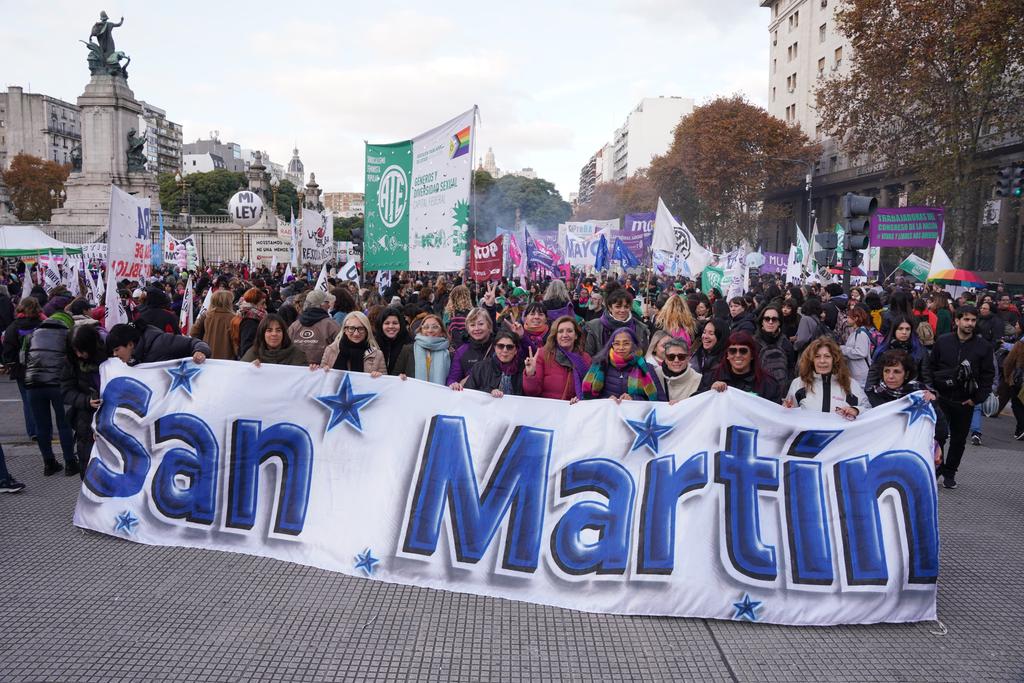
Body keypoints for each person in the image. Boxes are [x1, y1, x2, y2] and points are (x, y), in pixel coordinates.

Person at [930, 305, 995, 489]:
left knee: (958, 440)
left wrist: (977, 399)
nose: (970, 323)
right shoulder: (943, 341)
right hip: (941, 398)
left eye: (973, 320)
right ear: (957, 321)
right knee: (938, 437)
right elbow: (931, 366)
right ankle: (936, 469)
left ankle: (950, 473)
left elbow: (987, 375)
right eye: (966, 319)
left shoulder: (983, 347)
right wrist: (933, 390)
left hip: (965, 401)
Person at [866, 349, 948, 468]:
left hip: (911, 463)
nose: (890, 376)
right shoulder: (872, 395)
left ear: (907, 374)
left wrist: (933, 405)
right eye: (886, 371)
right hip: (879, 462)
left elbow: (942, 431)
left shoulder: (921, 396)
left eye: (897, 372)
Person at [22, 311, 79, 476]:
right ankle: (70, 463)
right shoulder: (67, 335)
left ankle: (49, 463)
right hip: (57, 384)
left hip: (33, 383)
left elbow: (24, 357)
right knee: (64, 424)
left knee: (42, 426)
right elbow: (73, 359)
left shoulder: (32, 335)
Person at [61, 323, 106, 479]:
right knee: (88, 468)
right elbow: (66, 390)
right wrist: (86, 401)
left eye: (82, 350)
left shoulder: (110, 355)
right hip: (86, 421)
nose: (79, 355)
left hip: (111, 418)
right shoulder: (71, 362)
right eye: (75, 351)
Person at [784, 337, 869, 418]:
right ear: (811, 360)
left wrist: (856, 410)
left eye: (827, 356)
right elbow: (788, 415)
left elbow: (869, 411)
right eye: (817, 356)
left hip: (843, 434)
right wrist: (788, 410)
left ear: (835, 359)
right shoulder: (799, 383)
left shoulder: (850, 384)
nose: (822, 361)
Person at [2, 297, 45, 441]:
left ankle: (33, 431)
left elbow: (8, 348)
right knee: (42, 400)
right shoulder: (43, 324)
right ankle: (44, 429)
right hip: (41, 367)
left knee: (27, 400)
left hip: (22, 369)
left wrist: (10, 363)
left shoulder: (14, 326)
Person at [698, 331, 782, 403]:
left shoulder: (768, 384)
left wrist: (786, 409)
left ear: (752, 355)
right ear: (727, 354)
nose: (737, 355)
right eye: (732, 351)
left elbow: (775, 413)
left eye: (743, 351)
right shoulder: (711, 377)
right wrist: (709, 390)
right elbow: (693, 403)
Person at [522, 315, 592, 401]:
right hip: (548, 412)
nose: (565, 335)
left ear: (576, 335)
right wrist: (530, 375)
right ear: (555, 335)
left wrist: (579, 400)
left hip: (574, 411)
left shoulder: (585, 359)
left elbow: (590, 391)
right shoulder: (543, 355)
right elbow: (532, 392)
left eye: (569, 331)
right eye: (560, 331)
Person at [582, 328, 661, 402]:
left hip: (635, 415)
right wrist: (606, 400)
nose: (621, 347)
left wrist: (633, 399)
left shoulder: (647, 367)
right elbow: (587, 399)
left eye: (626, 343)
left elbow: (659, 400)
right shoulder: (600, 365)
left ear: (633, 345)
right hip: (608, 414)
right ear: (612, 345)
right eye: (617, 344)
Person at [867, 315, 933, 389]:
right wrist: (869, 393)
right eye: (900, 329)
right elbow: (873, 376)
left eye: (907, 329)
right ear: (894, 330)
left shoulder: (920, 350)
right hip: (885, 393)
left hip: (912, 392)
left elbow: (926, 377)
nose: (904, 332)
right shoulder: (883, 350)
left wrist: (929, 392)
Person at [106, 321, 211, 365]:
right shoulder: (131, 359)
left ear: (130, 344)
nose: (115, 355)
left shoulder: (163, 342)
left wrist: (200, 352)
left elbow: (194, 342)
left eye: (117, 350)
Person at [583, 287, 650, 356]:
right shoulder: (594, 327)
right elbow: (588, 356)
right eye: (618, 306)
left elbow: (643, 354)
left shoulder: (640, 328)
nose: (622, 310)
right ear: (610, 307)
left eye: (626, 307)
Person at [457, 330, 524, 398]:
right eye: (500, 346)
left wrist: (530, 376)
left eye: (509, 347)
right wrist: (489, 392)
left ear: (516, 350)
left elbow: (530, 395)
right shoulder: (480, 367)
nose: (505, 350)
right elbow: (469, 392)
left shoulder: (524, 369)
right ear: (495, 348)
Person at [320, 311, 385, 375]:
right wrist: (322, 371)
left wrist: (379, 377)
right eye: (351, 328)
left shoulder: (377, 355)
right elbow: (321, 379)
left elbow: (385, 383)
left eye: (361, 329)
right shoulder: (331, 350)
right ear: (345, 330)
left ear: (366, 330)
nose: (356, 334)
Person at [395, 314, 451, 384]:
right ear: (421, 330)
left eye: (435, 327)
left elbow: (452, 380)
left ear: (442, 331)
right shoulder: (407, 350)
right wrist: (399, 377)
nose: (430, 330)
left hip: (439, 394)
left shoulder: (449, 353)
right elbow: (395, 374)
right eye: (426, 327)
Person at [288, 290, 340, 365]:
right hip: (323, 373)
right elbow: (340, 349)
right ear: (321, 304)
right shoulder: (332, 326)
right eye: (327, 302)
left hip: (298, 372)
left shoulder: (294, 326)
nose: (329, 305)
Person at [447, 307, 495, 387]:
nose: (477, 328)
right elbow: (452, 378)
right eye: (472, 325)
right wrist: (453, 385)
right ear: (468, 329)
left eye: (481, 324)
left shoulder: (499, 346)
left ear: (489, 326)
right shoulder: (461, 351)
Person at [241, 314, 310, 367]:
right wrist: (249, 369)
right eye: (269, 330)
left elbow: (306, 379)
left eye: (278, 330)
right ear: (262, 333)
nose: (274, 334)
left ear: (284, 333)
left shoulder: (296, 354)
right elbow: (240, 375)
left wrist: (313, 370)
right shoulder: (253, 353)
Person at [755, 304, 796, 388]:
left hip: (781, 390)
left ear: (779, 322)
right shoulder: (753, 342)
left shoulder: (786, 343)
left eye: (774, 319)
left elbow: (791, 368)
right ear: (762, 322)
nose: (770, 322)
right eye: (767, 319)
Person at [652, 338, 701, 404]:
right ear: (665, 359)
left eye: (681, 357)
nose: (676, 360)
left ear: (688, 358)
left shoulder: (698, 379)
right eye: (671, 357)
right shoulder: (655, 375)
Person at [190, 290, 235, 360]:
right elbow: (236, 342)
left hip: (207, 356)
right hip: (227, 359)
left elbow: (193, 333)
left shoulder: (206, 315)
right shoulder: (234, 318)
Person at [840, 306, 874, 388]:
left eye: (848, 317)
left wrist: (843, 349)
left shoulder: (861, 333)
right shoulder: (856, 332)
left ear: (856, 318)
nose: (846, 319)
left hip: (860, 373)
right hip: (856, 372)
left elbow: (861, 352)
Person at [374, 306, 411, 376]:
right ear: (381, 325)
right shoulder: (374, 343)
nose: (391, 326)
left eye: (395, 323)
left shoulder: (409, 344)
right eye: (387, 323)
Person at [234, 288, 267, 359]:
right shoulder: (250, 321)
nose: (265, 307)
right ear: (254, 303)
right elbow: (246, 348)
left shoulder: (250, 317)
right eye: (263, 303)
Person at [1002, 337, 1024, 440]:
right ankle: (1019, 430)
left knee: (1016, 404)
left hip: (1018, 379)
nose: (1016, 325)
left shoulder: (1020, 344)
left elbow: (1008, 362)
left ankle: (1022, 428)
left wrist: (1007, 377)